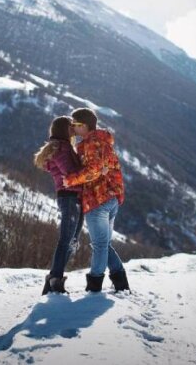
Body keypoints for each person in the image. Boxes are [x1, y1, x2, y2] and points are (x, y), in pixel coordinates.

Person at [62, 108, 130, 293]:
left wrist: (71, 179)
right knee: (104, 244)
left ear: (84, 125)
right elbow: (109, 168)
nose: (73, 129)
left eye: (75, 125)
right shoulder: (103, 141)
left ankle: (95, 287)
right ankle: (121, 281)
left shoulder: (91, 143)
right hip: (111, 198)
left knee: (99, 245)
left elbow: (94, 169)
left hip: (97, 200)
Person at [33, 116, 85, 294]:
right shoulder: (61, 149)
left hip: (73, 197)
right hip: (70, 197)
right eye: (71, 127)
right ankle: (55, 279)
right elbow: (70, 174)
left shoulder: (62, 147)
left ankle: (53, 280)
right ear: (65, 129)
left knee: (72, 241)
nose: (74, 129)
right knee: (66, 240)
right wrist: (90, 173)